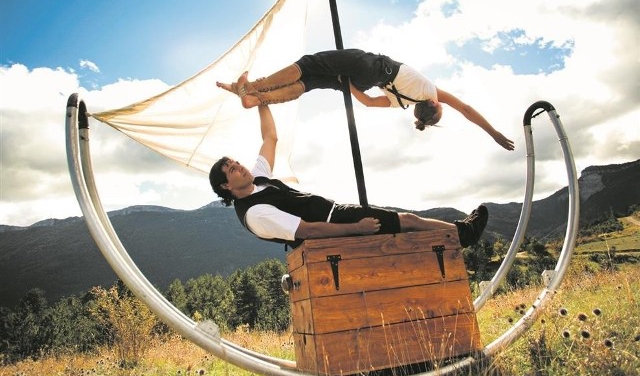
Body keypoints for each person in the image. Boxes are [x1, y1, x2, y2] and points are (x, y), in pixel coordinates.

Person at [209, 104, 489, 248]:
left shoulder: (258, 179)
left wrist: (261, 101)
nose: (240, 167)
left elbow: (270, 137)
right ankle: (463, 235)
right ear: (226, 186)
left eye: (236, 162)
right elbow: (309, 230)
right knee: (408, 221)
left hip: (335, 211)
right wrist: (358, 228)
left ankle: (457, 235)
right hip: (334, 224)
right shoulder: (255, 213)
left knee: (407, 223)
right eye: (232, 169)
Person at [216, 49, 514, 151]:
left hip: (371, 66)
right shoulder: (402, 104)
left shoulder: (431, 93)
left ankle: (253, 87)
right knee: (308, 83)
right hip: (360, 81)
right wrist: (347, 86)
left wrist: (494, 132)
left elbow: (466, 109)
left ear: (435, 107)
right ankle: (255, 99)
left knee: (307, 64)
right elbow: (369, 103)